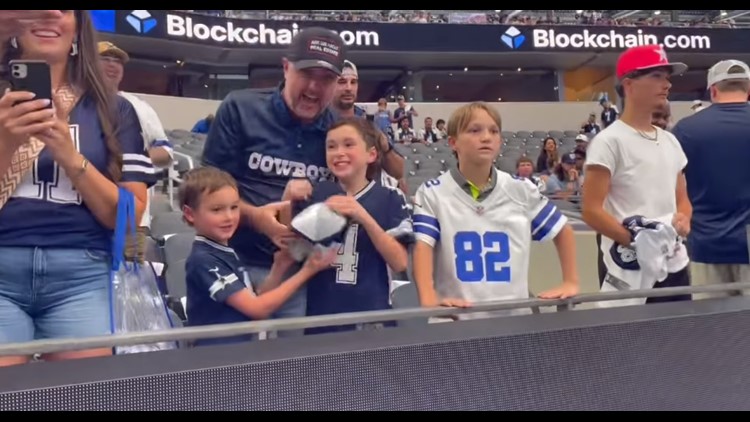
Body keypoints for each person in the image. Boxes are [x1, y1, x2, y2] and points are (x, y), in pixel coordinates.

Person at [0, 10, 155, 366]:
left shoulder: (114, 108)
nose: (50, 14)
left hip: (81, 276)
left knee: (80, 396)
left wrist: (71, 157)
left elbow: (128, 217)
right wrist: (6, 142)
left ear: (77, 29)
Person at [201, 27, 347, 334]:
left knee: (288, 370)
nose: (314, 86)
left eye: (326, 79)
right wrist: (256, 217)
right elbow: (205, 188)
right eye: (307, 73)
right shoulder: (240, 107)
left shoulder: (340, 131)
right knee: (227, 367)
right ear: (285, 68)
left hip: (296, 273)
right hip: (233, 263)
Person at [411, 102, 580, 319]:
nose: (486, 137)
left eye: (493, 131)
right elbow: (423, 246)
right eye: (474, 130)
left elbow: (563, 231)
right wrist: (428, 297)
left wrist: (571, 281)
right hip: (454, 320)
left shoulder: (521, 190)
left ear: (500, 141)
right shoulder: (432, 193)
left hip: (513, 320)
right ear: (453, 142)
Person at [582, 44, 692, 304]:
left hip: (672, 261)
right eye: (656, 76)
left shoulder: (670, 141)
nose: (666, 84)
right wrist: (635, 241)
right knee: (628, 340)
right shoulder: (609, 141)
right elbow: (591, 210)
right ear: (629, 85)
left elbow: (682, 200)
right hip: (626, 266)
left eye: (667, 77)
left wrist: (683, 222)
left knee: (678, 337)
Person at [281, 118, 412, 334]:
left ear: (371, 154)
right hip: (321, 315)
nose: (339, 152)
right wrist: (288, 201)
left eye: (348, 144)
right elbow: (293, 252)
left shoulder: (390, 197)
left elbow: (399, 262)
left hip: (372, 314)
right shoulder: (317, 194)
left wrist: (363, 216)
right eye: (331, 146)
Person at [180, 167, 336, 347]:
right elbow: (258, 309)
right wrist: (308, 271)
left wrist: (279, 267)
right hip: (217, 358)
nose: (229, 217)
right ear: (190, 214)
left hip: (236, 352)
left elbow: (255, 299)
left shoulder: (223, 251)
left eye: (234, 207)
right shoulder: (204, 260)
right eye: (217, 210)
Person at [671, 60, 750, 299]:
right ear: (748, 89)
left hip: (706, 245)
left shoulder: (685, 130)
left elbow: (673, 185)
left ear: (713, 90)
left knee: (714, 331)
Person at [98, 40, 174, 261]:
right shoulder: (76, 101)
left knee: (130, 285)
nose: (113, 65)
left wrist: (126, 158)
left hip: (134, 217)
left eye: (117, 61)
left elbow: (165, 152)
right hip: (83, 216)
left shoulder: (139, 106)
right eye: (105, 59)